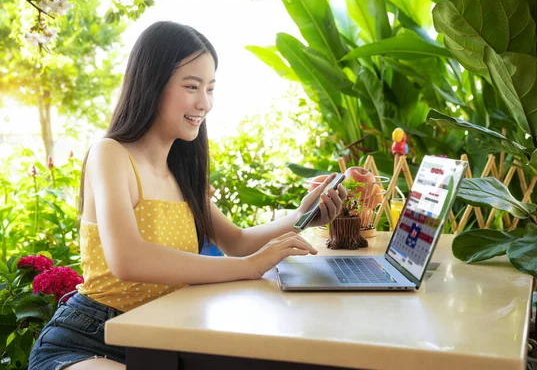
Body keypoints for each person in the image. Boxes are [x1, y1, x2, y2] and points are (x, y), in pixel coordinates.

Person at [28, 21, 346, 370]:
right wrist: (246, 268)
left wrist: (304, 217)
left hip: (165, 337)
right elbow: (127, 258)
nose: (205, 103)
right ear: (152, 84)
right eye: (192, 86)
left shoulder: (182, 172)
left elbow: (237, 241)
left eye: (210, 88)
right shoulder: (111, 154)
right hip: (88, 339)